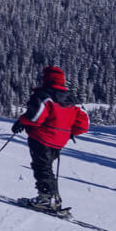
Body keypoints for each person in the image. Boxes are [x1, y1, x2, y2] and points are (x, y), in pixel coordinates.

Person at [12, 66, 91, 212]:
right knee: (47, 167)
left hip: (41, 137)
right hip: (60, 141)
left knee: (41, 167)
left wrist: (21, 121)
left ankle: (45, 198)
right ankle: (53, 198)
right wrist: (68, 132)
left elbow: (35, 117)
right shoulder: (73, 100)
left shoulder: (44, 95)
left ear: (46, 79)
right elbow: (84, 125)